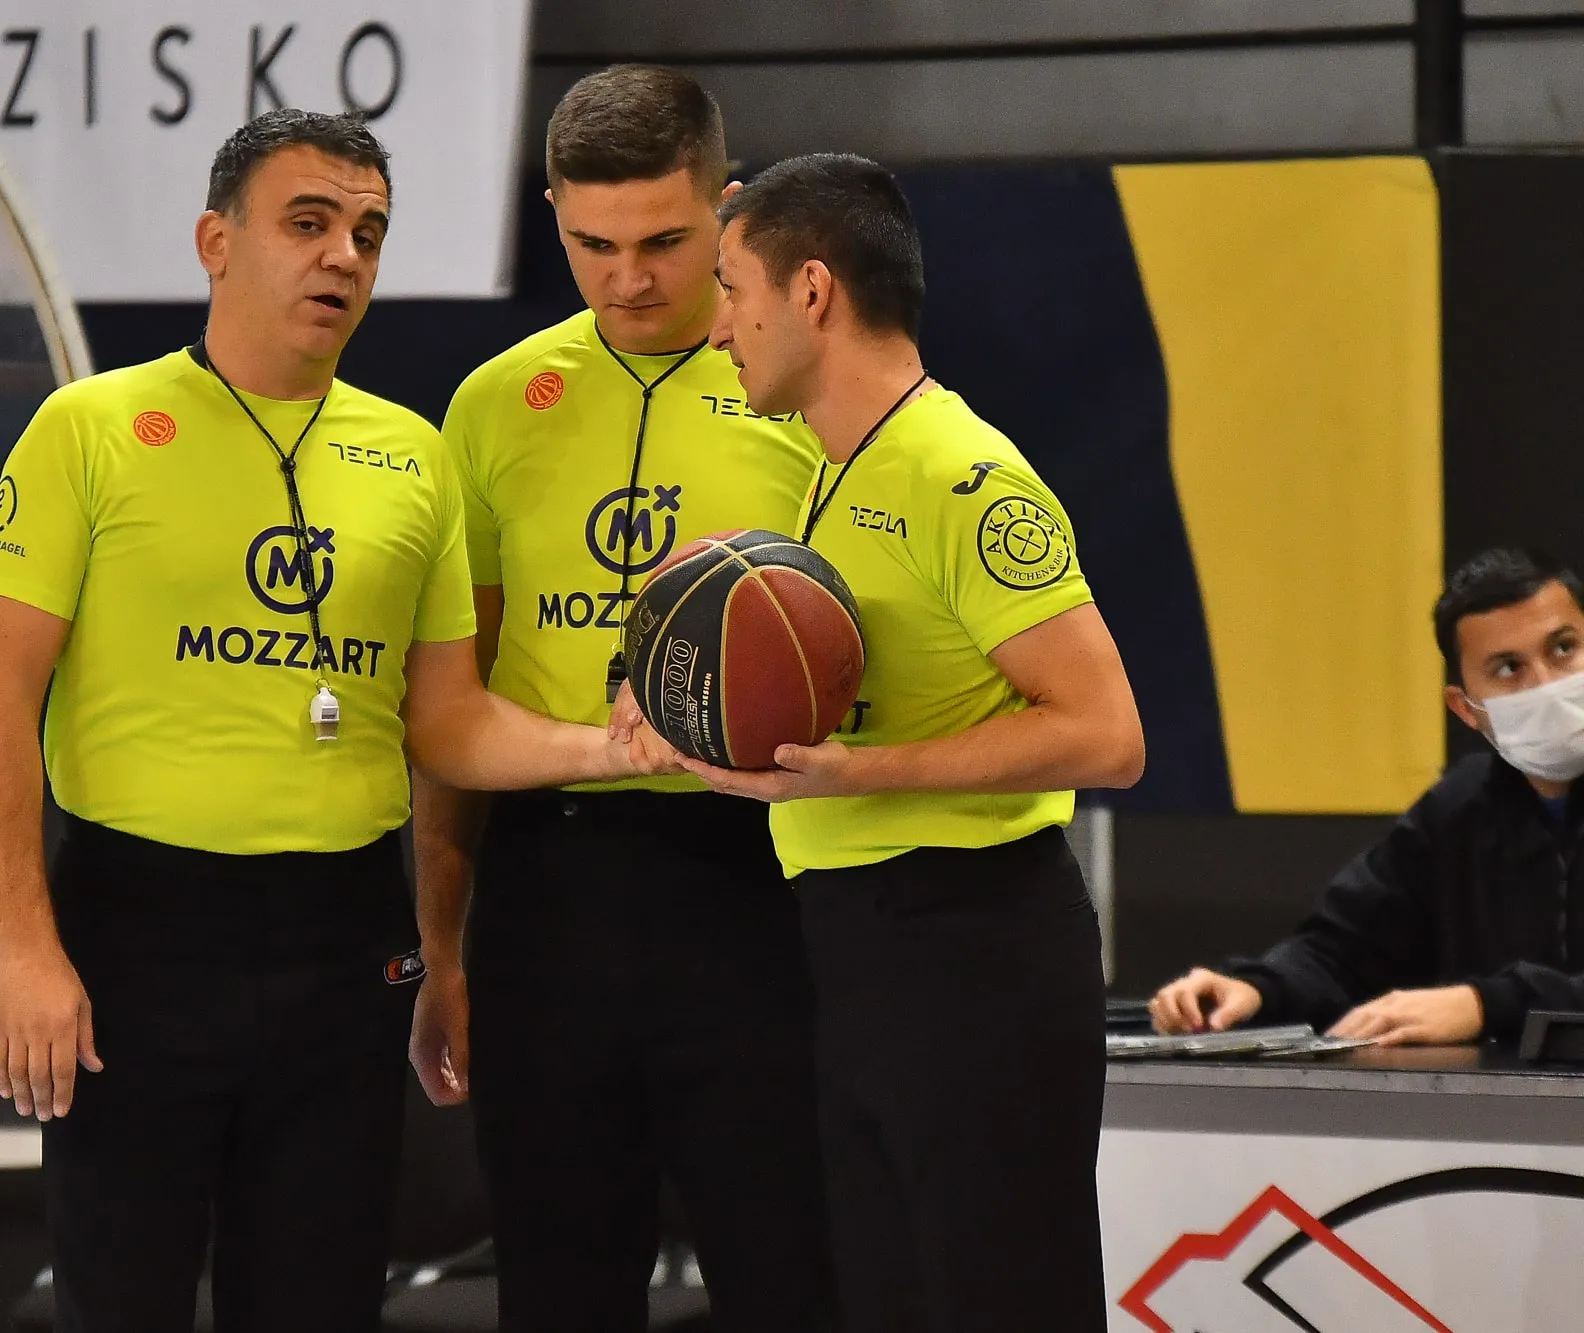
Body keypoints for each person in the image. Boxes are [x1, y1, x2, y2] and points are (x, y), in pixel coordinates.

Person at [0, 110, 670, 1333]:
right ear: (215, 242)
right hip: (139, 933)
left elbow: (447, 725)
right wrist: (24, 946)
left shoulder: (412, 457)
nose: (343, 255)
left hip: (344, 940)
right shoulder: (91, 428)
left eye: (367, 233)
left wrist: (607, 748)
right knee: (119, 1299)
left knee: (321, 1302)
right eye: (307, 223)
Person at [629, 152, 1146, 1333]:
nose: (717, 326)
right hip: (853, 945)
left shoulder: (961, 477)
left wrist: (860, 773)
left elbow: (1106, 734)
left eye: (731, 288)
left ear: (810, 290)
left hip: (971, 941)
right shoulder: (826, 470)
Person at [409, 67, 836, 1332]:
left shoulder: (806, 386)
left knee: (792, 1279)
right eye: (592, 244)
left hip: (760, 881)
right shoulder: (493, 404)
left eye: (662, 240)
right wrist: (440, 947)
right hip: (549, 893)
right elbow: (455, 707)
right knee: (556, 1287)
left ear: (727, 207)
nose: (628, 278)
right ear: (551, 214)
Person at [1150, 546, 1584, 1046]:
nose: (1544, 684)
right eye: (1508, 669)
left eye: (1563, 648)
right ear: (1466, 709)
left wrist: (1488, 1006)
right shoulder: (1460, 808)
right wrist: (1256, 990)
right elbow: (1343, 952)